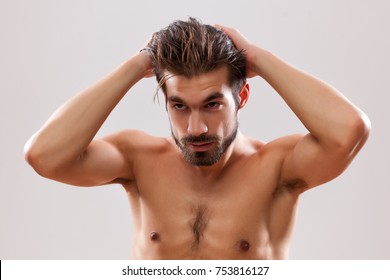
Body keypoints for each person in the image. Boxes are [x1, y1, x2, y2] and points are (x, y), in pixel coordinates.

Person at [24, 18, 370, 259]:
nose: (196, 128)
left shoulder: (276, 168)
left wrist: (257, 58)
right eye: (179, 105)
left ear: (242, 97)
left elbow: (348, 130)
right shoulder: (138, 160)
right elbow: (44, 156)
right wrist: (138, 64)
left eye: (212, 104)